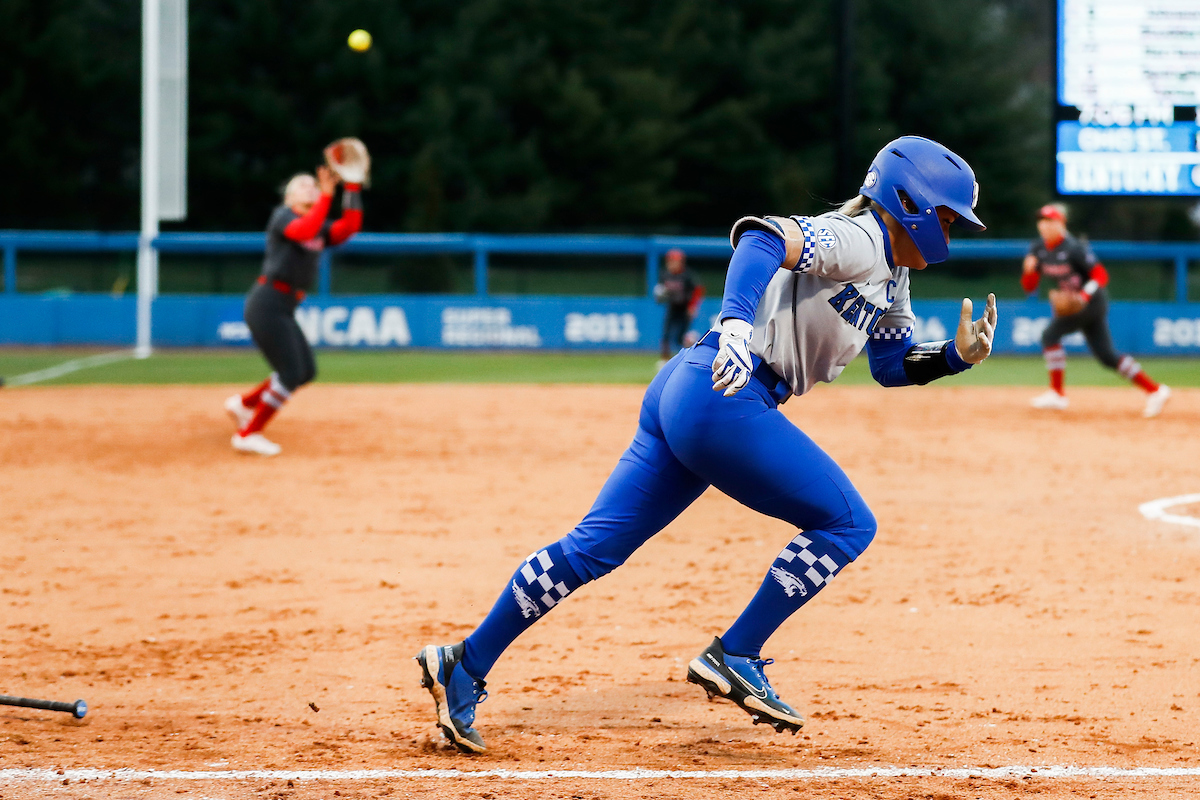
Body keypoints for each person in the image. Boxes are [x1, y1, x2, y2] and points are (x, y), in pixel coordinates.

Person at [415, 135, 999, 754]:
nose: (953, 233)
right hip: (728, 387)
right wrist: (735, 327)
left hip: (689, 386)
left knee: (592, 549)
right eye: (947, 217)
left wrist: (955, 358)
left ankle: (464, 662)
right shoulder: (859, 239)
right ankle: (736, 653)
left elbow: (889, 364)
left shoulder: (895, 275)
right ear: (909, 201)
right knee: (848, 524)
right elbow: (761, 238)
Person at [224, 162, 364, 455]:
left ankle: (244, 404)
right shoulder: (282, 217)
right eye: (302, 184)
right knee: (290, 372)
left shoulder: (319, 225)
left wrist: (351, 187)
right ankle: (248, 434)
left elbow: (349, 227)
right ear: (288, 197)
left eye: (312, 183)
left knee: (305, 371)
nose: (310, 186)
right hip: (267, 303)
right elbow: (303, 230)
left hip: (284, 306)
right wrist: (326, 197)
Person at [1022, 203, 1170, 417]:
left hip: (1092, 303)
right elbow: (1029, 287)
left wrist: (1084, 295)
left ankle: (1057, 394)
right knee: (1107, 356)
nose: (1044, 225)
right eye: (1041, 221)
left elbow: (1100, 275)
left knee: (1050, 335)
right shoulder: (1038, 249)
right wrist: (1029, 272)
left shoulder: (1074, 247)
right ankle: (1155, 390)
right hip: (1077, 304)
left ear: (1061, 224)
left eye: (1050, 221)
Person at [654, 248, 704, 363]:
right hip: (672, 307)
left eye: (675, 261)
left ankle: (689, 354)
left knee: (680, 338)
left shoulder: (687, 275)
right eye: (670, 261)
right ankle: (664, 360)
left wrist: (693, 306)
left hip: (685, 309)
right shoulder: (665, 274)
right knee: (666, 334)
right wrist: (660, 295)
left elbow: (698, 289)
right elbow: (660, 292)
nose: (672, 264)